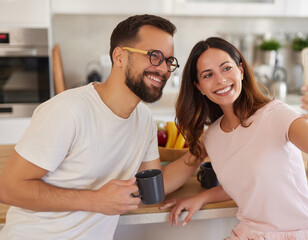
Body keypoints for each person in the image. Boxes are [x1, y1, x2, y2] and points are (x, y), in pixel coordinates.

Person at [0, 14, 199, 239]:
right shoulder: (68, 111)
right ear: (120, 56)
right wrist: (95, 200)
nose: (163, 69)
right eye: (154, 56)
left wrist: (200, 152)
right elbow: (9, 187)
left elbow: (155, 183)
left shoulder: (143, 119)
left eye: (168, 61)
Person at [161, 37, 308, 239]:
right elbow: (247, 185)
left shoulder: (276, 114)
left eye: (226, 68)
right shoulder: (212, 137)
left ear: (240, 70)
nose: (220, 79)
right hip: (247, 233)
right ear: (199, 87)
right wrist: (201, 197)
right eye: (208, 75)